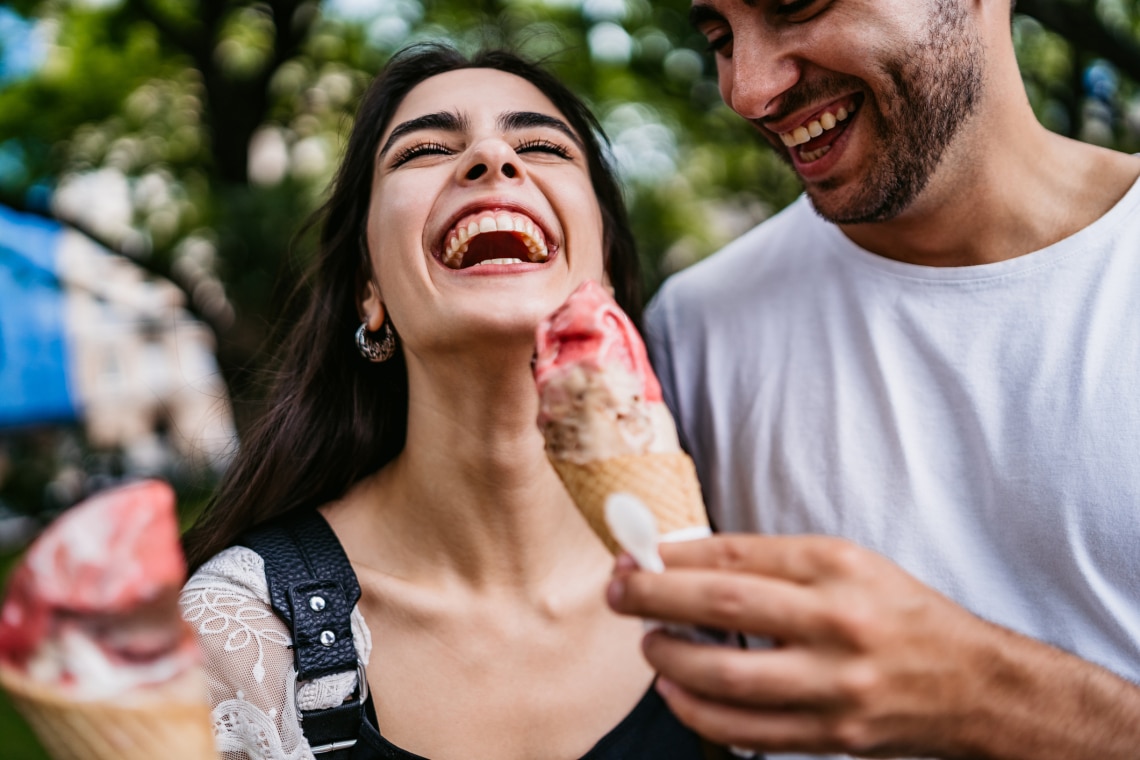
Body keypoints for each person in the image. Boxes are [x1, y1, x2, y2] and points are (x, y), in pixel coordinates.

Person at [605, 1, 1140, 759]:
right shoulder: (694, 331)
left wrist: (989, 696)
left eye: (797, 5)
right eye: (720, 39)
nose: (749, 91)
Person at [179, 44, 732, 760]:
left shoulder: (731, 564)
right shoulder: (240, 635)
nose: (492, 157)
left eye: (542, 146)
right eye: (424, 151)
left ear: (607, 273)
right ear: (368, 290)